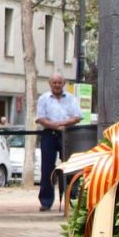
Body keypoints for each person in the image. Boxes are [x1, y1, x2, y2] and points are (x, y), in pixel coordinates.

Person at [35, 73, 81, 211]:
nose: (57, 85)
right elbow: (40, 118)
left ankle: (72, 199)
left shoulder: (71, 98)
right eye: (54, 82)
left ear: (64, 83)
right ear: (50, 83)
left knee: (70, 167)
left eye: (59, 82)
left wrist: (62, 124)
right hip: (49, 134)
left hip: (67, 134)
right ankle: (46, 202)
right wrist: (55, 126)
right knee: (47, 168)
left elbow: (77, 117)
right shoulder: (43, 98)